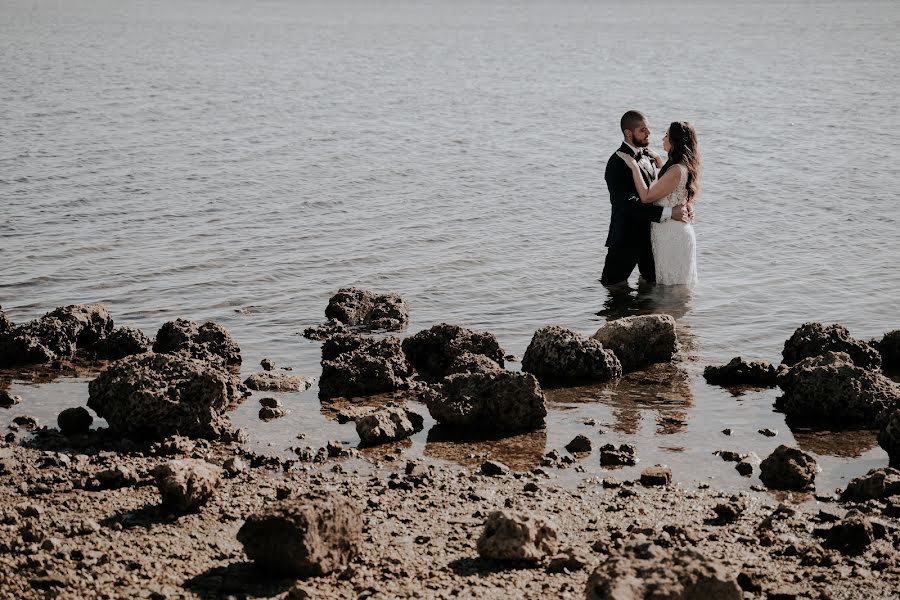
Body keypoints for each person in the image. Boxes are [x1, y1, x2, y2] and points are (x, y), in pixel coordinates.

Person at [600, 111, 693, 286]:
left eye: (648, 129)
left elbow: (666, 188)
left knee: (652, 290)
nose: (648, 133)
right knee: (613, 289)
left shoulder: (648, 156)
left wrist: (685, 205)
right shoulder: (617, 162)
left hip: (654, 239)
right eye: (643, 130)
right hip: (626, 240)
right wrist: (669, 212)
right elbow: (627, 205)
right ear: (629, 133)